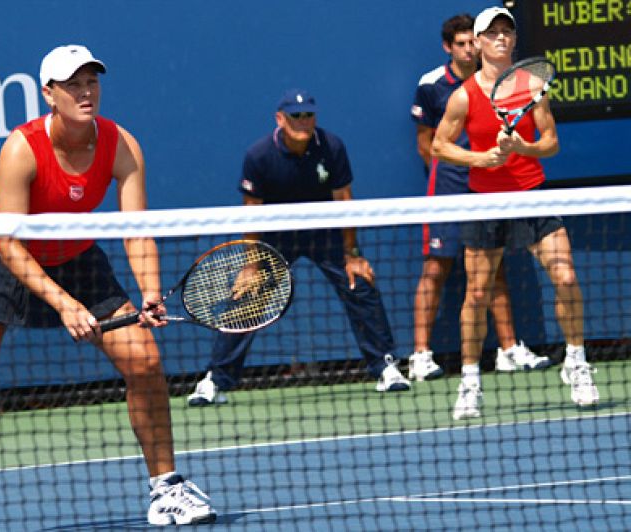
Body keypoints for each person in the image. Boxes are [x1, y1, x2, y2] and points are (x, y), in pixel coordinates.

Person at [0, 45, 216, 530]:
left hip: (75, 257)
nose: (86, 93)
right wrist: (65, 305)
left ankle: (166, 488)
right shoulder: (21, 148)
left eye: (92, 82)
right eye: (73, 85)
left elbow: (137, 230)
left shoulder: (121, 145)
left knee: (144, 361)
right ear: (49, 94)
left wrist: (150, 290)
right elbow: (11, 244)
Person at [187, 88, 410, 407]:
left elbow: (345, 201)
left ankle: (385, 367)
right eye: (295, 116)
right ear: (280, 119)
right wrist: (251, 265)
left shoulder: (332, 147)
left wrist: (352, 255)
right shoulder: (259, 155)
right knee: (247, 297)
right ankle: (215, 379)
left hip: (324, 232)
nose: (303, 121)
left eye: (308, 115)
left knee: (359, 285)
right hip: (278, 236)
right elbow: (251, 211)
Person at [430, 7, 600, 420]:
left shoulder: (533, 87)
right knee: (477, 294)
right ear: (478, 43)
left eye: (507, 31)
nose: (501, 38)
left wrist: (523, 148)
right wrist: (481, 158)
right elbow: (439, 146)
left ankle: (576, 362)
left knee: (566, 277)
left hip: (532, 196)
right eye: (493, 33)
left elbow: (551, 142)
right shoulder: (463, 96)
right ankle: (470, 381)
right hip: (485, 202)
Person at [408, 13, 550, 381]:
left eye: (473, 42)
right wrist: (464, 166)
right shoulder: (433, 85)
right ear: (448, 47)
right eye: (461, 44)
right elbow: (428, 143)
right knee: (437, 266)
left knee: (494, 269)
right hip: (450, 183)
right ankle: (420, 355)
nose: (469, 49)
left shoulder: (501, 82)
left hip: (490, 182)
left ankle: (508, 349)